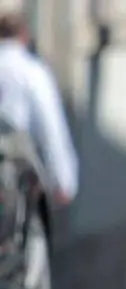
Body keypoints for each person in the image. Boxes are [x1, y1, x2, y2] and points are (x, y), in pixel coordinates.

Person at [0, 8, 78, 205]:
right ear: (24, 36)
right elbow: (50, 127)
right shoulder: (32, 72)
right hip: (16, 171)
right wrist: (63, 181)